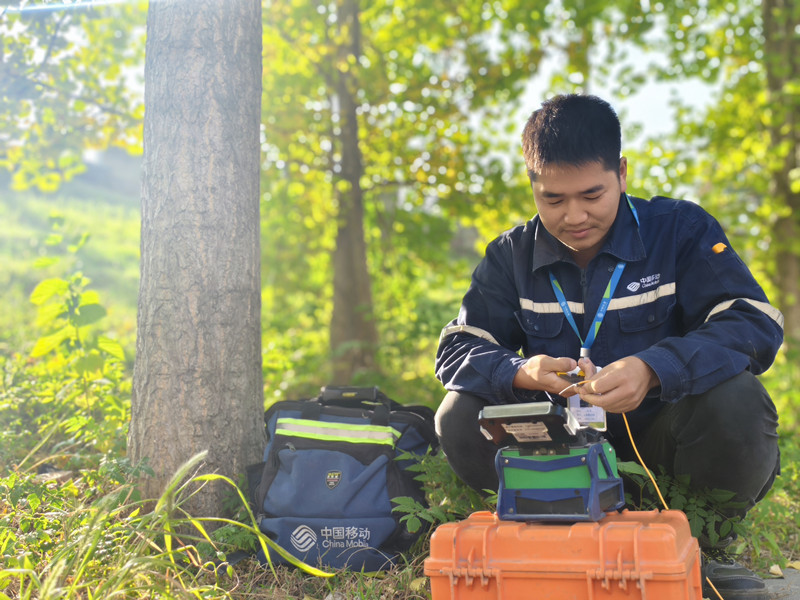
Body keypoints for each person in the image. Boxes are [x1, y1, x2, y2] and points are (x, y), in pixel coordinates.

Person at [434, 94, 782, 600]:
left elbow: (752, 322)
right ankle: (545, 541)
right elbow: (458, 348)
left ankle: (695, 548)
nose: (574, 215)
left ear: (622, 172)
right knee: (458, 412)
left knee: (738, 399)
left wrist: (654, 367)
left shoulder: (681, 231)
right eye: (553, 199)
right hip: (555, 456)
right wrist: (520, 371)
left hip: (664, 453)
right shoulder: (509, 255)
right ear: (533, 184)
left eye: (591, 194)